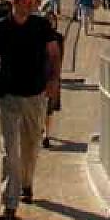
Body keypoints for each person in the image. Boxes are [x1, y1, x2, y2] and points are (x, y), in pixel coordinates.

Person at [0, 0, 61, 220]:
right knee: (9, 148)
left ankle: (26, 183)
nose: (28, 3)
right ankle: (9, 203)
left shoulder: (41, 26)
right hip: (7, 95)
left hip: (35, 94)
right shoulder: (0, 28)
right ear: (14, 2)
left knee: (31, 144)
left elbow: (54, 53)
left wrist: (54, 79)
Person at [43, 11, 64, 147]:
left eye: (53, 20)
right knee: (38, 106)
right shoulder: (37, 36)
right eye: (48, 19)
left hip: (52, 76)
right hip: (38, 76)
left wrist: (56, 76)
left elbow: (60, 57)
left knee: (49, 108)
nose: (51, 22)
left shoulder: (58, 37)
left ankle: (46, 135)